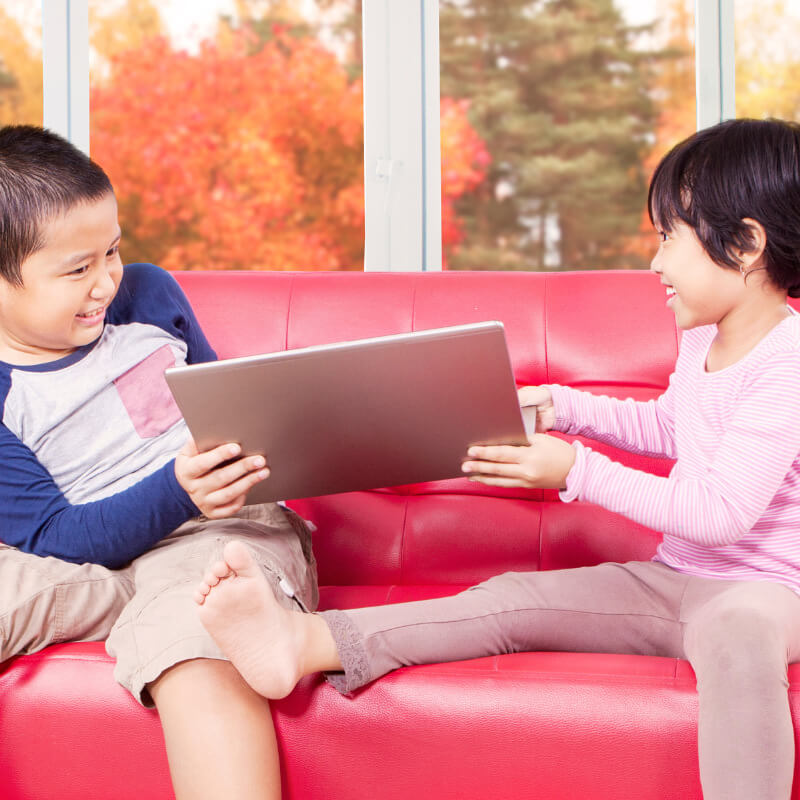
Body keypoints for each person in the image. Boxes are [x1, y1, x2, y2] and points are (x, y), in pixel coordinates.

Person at [194, 117, 800, 800]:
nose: (655, 264)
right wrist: (562, 407)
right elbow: (670, 426)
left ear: (746, 245)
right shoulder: (706, 338)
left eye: (669, 239)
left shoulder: (787, 364)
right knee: (513, 599)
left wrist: (576, 471)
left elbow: (721, 512)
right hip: (674, 582)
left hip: (771, 596)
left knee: (742, 641)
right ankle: (301, 644)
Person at [0, 124, 318, 800]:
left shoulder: (146, 298)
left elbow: (234, 413)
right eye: (77, 269)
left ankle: (173, 611)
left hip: (212, 527)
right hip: (85, 558)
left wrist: (208, 480)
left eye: (111, 251)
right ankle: (153, 604)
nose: (106, 281)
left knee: (202, 618)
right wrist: (175, 489)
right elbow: (54, 538)